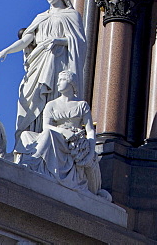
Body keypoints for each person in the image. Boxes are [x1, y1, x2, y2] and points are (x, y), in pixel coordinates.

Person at [0, 0, 87, 150]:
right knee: (31, 98)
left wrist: (58, 41)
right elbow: (26, 40)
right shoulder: (41, 17)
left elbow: (79, 42)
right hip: (38, 63)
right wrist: (6, 50)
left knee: (52, 96)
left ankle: (52, 137)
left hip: (58, 62)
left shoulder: (72, 16)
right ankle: (32, 139)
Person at [19, 71, 109, 199]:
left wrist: (90, 152)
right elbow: (46, 127)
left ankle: (33, 162)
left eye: (61, 80)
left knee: (49, 135)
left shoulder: (81, 105)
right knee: (26, 135)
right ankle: (33, 162)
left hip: (73, 142)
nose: (58, 83)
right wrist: (63, 131)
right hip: (57, 135)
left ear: (71, 82)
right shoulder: (51, 105)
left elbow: (90, 131)